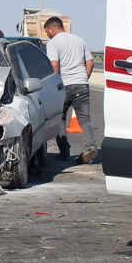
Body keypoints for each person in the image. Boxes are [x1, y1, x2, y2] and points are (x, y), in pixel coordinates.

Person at [43, 16, 98, 165]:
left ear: (51, 29)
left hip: (64, 85)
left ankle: (64, 152)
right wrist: (83, 79)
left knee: (59, 118)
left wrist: (55, 85)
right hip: (81, 83)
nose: (47, 35)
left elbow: (54, 66)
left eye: (47, 32)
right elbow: (91, 63)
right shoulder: (79, 40)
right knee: (85, 118)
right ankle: (91, 147)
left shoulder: (53, 43)